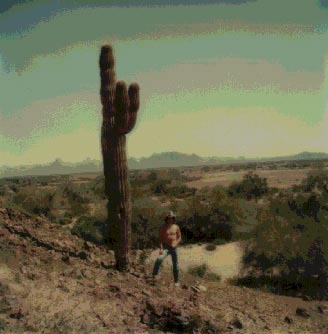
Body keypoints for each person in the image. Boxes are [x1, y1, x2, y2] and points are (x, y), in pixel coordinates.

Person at [151, 211, 182, 286]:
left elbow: (179, 237)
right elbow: (160, 239)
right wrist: (161, 248)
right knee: (159, 259)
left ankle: (176, 281)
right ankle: (154, 276)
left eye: (172, 218)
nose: (170, 219)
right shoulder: (162, 227)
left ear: (173, 219)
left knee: (175, 265)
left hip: (174, 248)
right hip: (166, 247)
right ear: (167, 219)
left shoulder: (176, 227)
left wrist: (176, 243)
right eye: (169, 218)